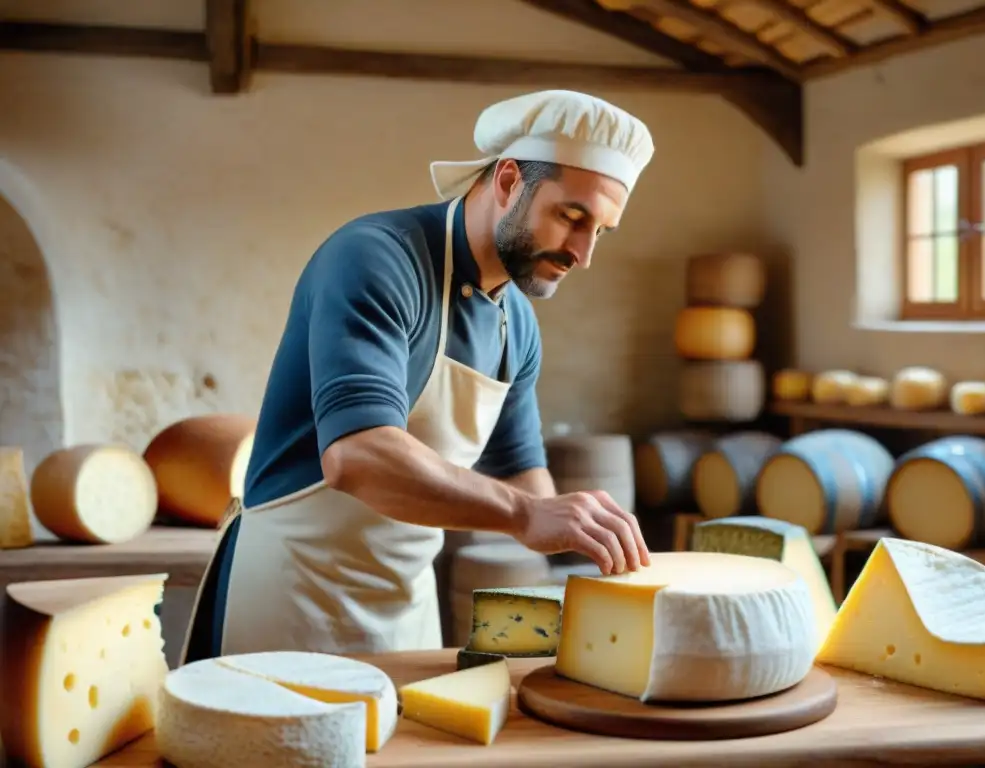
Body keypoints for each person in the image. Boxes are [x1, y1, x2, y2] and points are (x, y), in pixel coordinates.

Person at [180, 89, 656, 664]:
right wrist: (527, 516)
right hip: (293, 598)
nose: (583, 253)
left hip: (406, 610)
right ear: (508, 181)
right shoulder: (377, 260)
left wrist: (587, 548)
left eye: (600, 231)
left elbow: (526, 482)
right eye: (571, 217)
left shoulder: (517, 324)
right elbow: (357, 456)